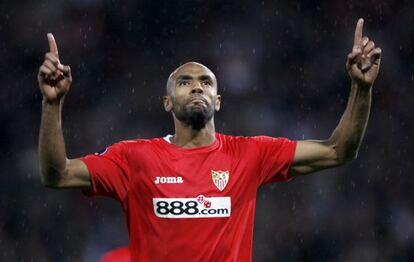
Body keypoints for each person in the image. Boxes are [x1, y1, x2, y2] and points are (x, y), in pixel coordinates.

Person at [38, 18, 381, 261]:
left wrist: (361, 88)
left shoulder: (249, 154)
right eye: (185, 82)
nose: (197, 85)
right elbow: (58, 174)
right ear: (167, 102)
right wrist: (52, 104)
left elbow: (339, 150)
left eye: (206, 81)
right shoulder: (134, 158)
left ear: (217, 100)